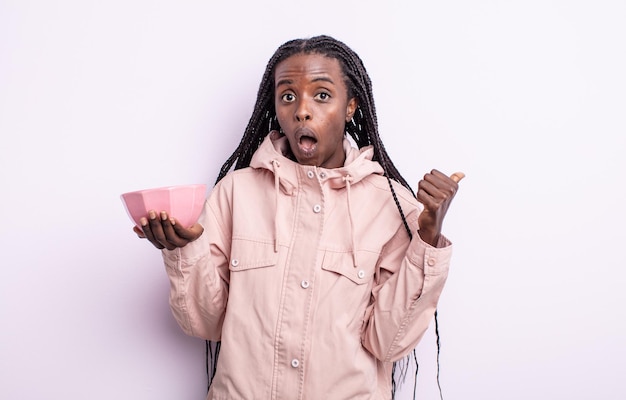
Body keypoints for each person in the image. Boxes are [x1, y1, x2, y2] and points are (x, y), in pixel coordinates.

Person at [134, 35, 464, 400]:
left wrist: (429, 239)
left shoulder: (391, 206)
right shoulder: (235, 193)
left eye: (322, 95)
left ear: (351, 106)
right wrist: (183, 252)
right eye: (287, 96)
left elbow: (388, 341)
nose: (301, 110)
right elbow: (205, 323)